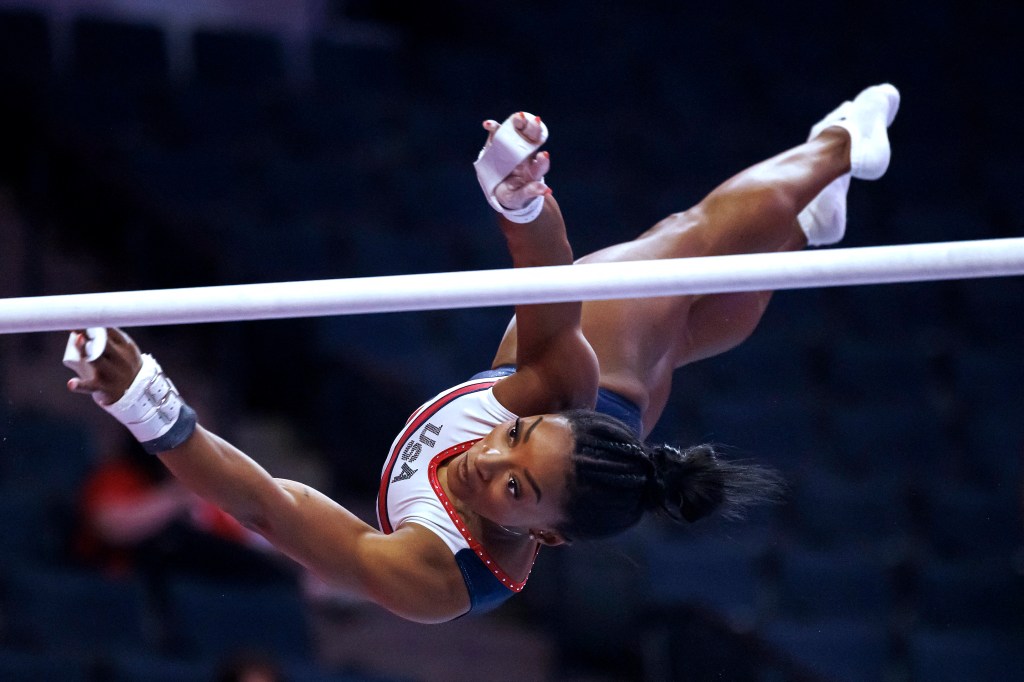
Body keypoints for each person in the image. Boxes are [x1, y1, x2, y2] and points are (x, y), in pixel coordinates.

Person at [65, 84, 900, 623]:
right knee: (681, 244)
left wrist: (149, 404)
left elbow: (269, 509)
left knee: (686, 325)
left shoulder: (433, 575)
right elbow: (548, 279)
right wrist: (522, 200)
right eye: (516, 436)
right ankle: (838, 144)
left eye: (513, 484)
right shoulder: (556, 386)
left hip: (617, 418)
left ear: (548, 540)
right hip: (604, 382)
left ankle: (810, 213)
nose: (485, 451)